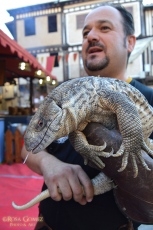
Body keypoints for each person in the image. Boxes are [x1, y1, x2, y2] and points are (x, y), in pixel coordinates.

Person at [21, 4, 153, 230]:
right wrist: (47, 163)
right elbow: (30, 143)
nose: (91, 36)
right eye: (85, 33)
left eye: (104, 28)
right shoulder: (62, 95)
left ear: (130, 42)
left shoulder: (149, 98)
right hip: (46, 224)